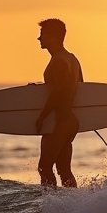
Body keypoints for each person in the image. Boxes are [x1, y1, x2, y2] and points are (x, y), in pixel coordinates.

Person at [34, 18, 83, 187]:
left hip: (59, 122)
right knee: (64, 169)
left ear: (53, 37)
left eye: (42, 34)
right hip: (70, 122)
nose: (39, 38)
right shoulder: (72, 59)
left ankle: (51, 209)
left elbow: (60, 91)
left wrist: (42, 116)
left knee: (44, 167)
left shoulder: (58, 61)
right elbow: (80, 89)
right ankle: (73, 207)